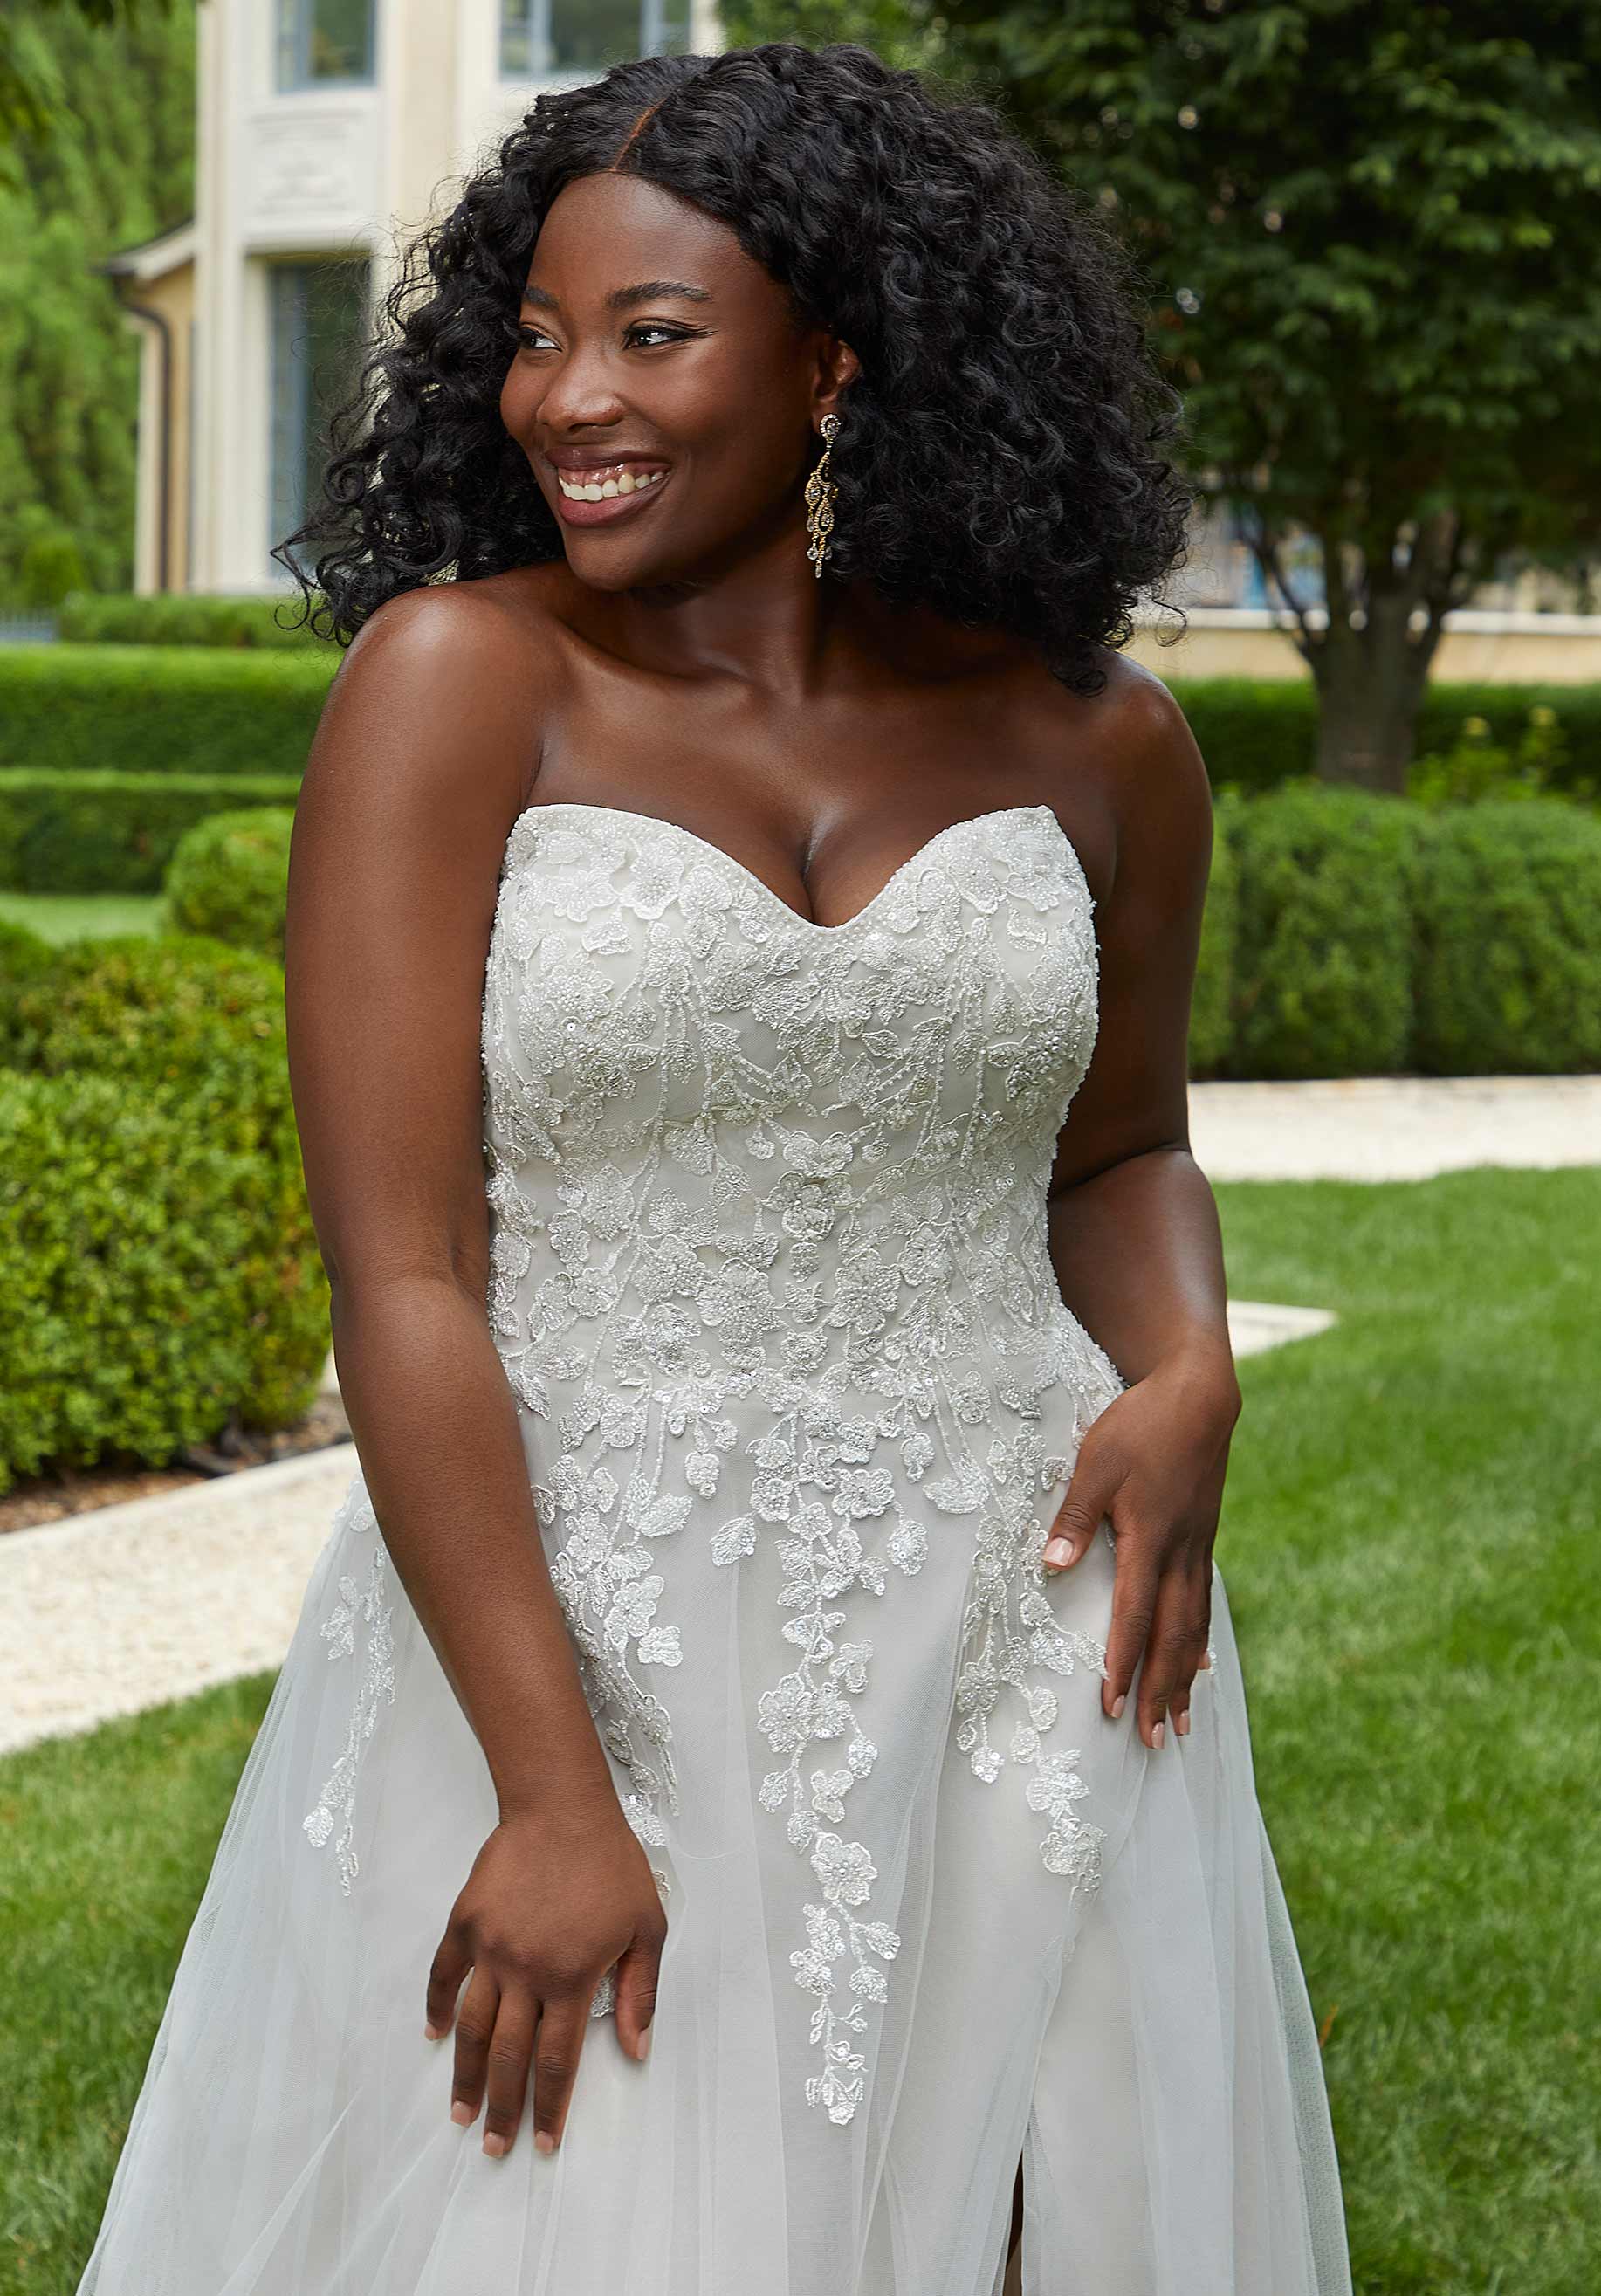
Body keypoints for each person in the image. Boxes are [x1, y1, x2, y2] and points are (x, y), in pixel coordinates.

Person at [75, 40, 1352, 2296]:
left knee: (1052, 2215)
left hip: (1019, 1608)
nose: (570, 397)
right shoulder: (460, 684)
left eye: (651, 335)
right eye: (538, 338)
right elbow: (408, 1278)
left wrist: (1184, 1369)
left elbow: (1122, 1147)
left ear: (839, 359)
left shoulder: (1098, 742)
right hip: (582, 1621)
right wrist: (555, 1794)